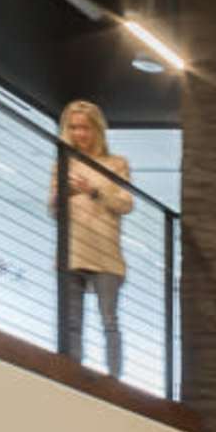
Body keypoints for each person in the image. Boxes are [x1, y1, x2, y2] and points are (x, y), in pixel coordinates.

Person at [51, 100, 134, 373]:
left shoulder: (116, 164)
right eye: (73, 128)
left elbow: (125, 204)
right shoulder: (62, 164)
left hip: (106, 252)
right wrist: (66, 194)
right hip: (73, 250)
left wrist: (94, 191)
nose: (79, 134)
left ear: (97, 130)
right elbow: (53, 209)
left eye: (85, 128)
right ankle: (73, 373)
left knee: (109, 320)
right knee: (71, 321)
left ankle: (115, 378)